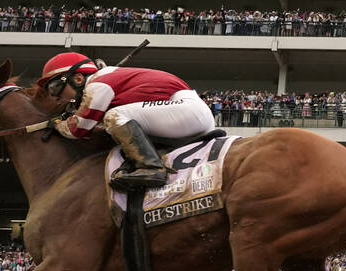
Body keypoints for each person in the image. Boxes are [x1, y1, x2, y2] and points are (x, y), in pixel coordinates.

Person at [36, 51, 214, 190]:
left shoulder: (98, 84)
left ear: (78, 78)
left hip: (186, 110)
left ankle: (152, 169)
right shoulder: (107, 78)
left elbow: (79, 129)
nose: (55, 97)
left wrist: (58, 124)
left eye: (55, 87)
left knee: (113, 117)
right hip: (187, 111)